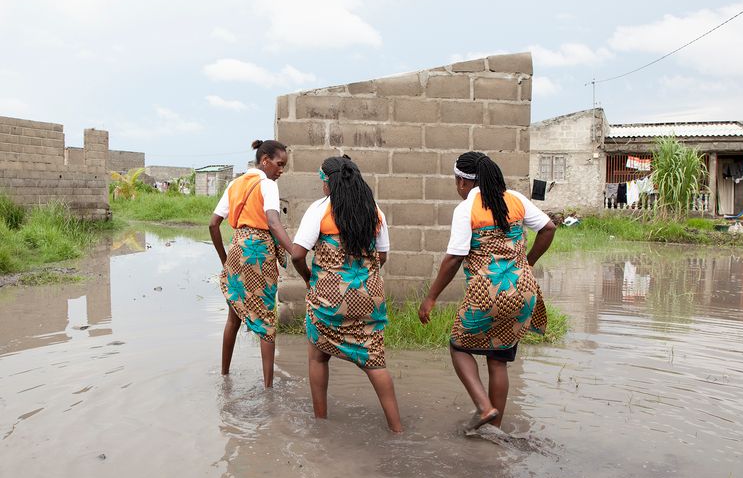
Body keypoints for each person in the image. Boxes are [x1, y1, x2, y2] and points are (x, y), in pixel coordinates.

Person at [418, 151, 556, 430]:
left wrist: (431, 297)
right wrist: (526, 264)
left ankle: (484, 407)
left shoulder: (467, 209)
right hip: (523, 289)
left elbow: (454, 258)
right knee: (498, 359)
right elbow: (548, 228)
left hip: (487, 292)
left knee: (458, 346)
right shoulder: (514, 199)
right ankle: (494, 430)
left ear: (462, 182)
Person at [291, 155, 403, 433]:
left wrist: (309, 278)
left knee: (318, 357)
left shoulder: (320, 209)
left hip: (329, 299)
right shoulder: (374, 210)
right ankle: (397, 428)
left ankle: (321, 424)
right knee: (375, 361)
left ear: (328, 183)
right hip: (369, 298)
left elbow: (297, 254)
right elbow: (382, 256)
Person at [209, 140, 293, 388]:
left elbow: (213, 224)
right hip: (259, 253)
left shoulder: (235, 184)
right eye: (279, 164)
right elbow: (274, 223)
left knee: (233, 317)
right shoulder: (267, 184)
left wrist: (226, 261)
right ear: (265, 160)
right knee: (266, 319)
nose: (281, 170)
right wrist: (294, 250)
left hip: (237, 249)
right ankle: (268, 388)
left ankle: (224, 376)